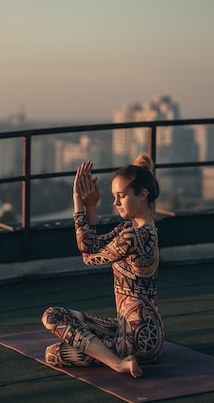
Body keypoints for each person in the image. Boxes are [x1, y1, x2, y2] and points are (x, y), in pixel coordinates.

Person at [41, 154, 164, 378]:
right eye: (114, 197)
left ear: (143, 194)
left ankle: (117, 363)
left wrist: (78, 203)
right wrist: (90, 207)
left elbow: (87, 256)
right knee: (56, 322)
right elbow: (89, 245)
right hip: (133, 329)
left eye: (122, 196)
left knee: (53, 342)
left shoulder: (132, 237)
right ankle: (118, 357)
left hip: (136, 339)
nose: (116, 203)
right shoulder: (135, 230)